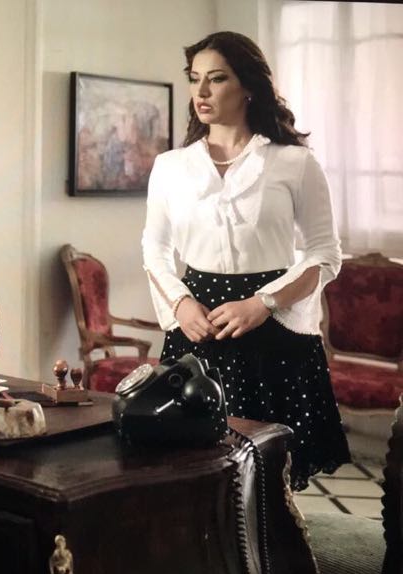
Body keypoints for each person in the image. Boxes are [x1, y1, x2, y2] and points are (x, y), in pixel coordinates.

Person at [141, 31, 349, 491]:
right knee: (194, 470)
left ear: (249, 86)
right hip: (198, 327)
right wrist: (180, 305)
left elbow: (324, 254)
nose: (201, 91)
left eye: (217, 79)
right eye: (195, 78)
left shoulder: (295, 163)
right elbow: (154, 250)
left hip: (273, 330)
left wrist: (263, 304)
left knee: (270, 477)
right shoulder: (170, 167)